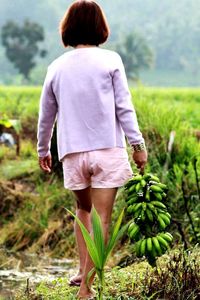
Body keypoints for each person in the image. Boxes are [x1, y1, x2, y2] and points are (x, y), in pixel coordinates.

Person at [37, 0, 147, 298]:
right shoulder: (111, 60)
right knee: (102, 218)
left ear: (68, 28)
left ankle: (81, 270)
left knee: (82, 210)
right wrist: (138, 145)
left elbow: (46, 113)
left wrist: (42, 149)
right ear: (101, 27)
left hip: (72, 152)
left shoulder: (56, 66)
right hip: (107, 150)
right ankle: (86, 286)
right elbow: (125, 108)